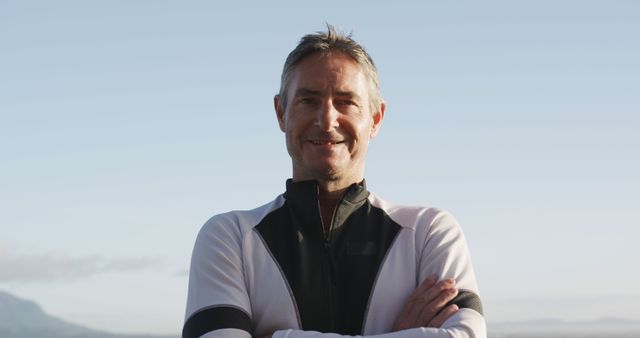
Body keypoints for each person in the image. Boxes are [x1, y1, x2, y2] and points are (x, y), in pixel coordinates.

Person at [183, 25, 486, 338]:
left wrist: (273, 335)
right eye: (308, 101)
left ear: (376, 118)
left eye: (346, 101)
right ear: (281, 113)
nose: (327, 121)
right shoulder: (229, 238)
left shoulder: (428, 232)